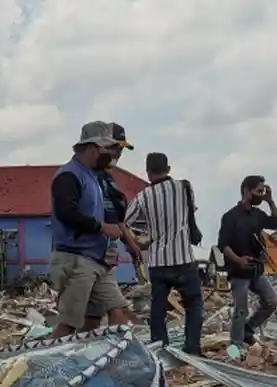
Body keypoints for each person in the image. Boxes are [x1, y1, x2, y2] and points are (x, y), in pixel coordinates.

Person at [50, 121, 133, 337]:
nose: (110, 153)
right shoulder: (68, 176)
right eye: (106, 148)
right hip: (76, 259)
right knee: (69, 322)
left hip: (97, 260)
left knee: (118, 309)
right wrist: (101, 227)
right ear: (93, 147)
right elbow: (66, 213)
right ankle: (50, 363)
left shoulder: (93, 176)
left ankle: (114, 357)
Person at [122, 152, 204, 355]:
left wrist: (142, 238)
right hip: (183, 258)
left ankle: (160, 348)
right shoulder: (184, 187)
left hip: (158, 262)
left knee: (158, 308)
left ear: (148, 172)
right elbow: (188, 214)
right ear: (168, 169)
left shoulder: (143, 196)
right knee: (193, 304)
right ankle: (192, 347)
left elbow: (125, 222)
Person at [82, 122, 142, 330]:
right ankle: (115, 355)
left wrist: (130, 243)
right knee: (117, 310)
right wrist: (130, 243)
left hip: (103, 257)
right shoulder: (91, 177)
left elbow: (116, 217)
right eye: (116, 147)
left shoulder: (107, 178)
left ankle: (78, 354)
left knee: (91, 318)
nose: (119, 152)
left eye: (121, 148)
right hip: (88, 256)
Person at [217, 175, 277, 353]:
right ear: (246, 191)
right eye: (259, 191)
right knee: (240, 310)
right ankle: (235, 348)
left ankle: (248, 329)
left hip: (256, 269)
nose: (261, 195)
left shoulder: (258, 215)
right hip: (238, 271)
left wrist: (270, 201)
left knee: (271, 302)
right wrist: (239, 260)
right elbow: (223, 245)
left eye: (263, 191)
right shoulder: (230, 217)